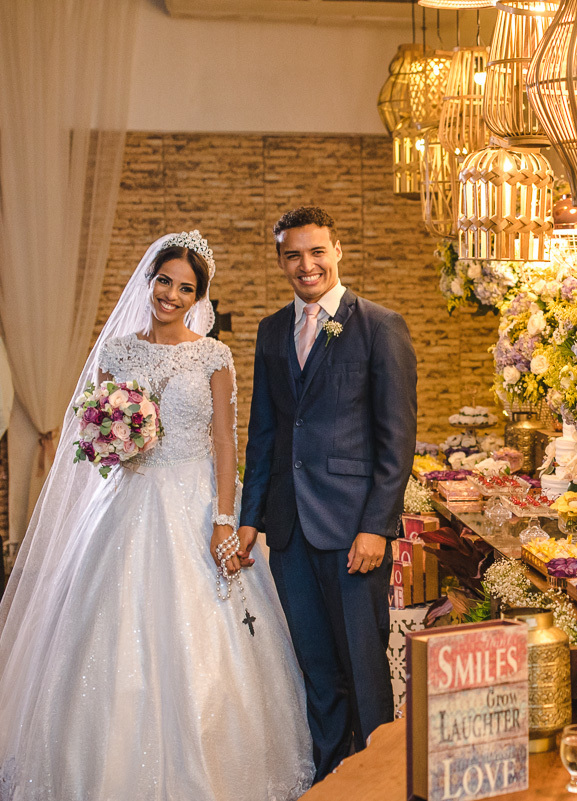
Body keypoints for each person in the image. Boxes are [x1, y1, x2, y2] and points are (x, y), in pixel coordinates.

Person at [0, 232, 314, 800]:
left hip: (195, 502)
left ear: (199, 297)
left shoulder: (213, 355)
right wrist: (114, 438)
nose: (171, 294)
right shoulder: (117, 350)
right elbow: (92, 431)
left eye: (185, 287)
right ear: (149, 281)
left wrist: (224, 517)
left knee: (208, 645)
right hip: (129, 499)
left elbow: (225, 441)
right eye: (164, 281)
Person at [238, 206, 417, 780]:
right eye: (293, 254)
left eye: (317, 252)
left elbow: (397, 441)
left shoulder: (379, 326)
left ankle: (379, 784)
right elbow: (263, 433)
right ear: (281, 261)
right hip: (289, 532)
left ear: (337, 251)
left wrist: (377, 526)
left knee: (364, 671)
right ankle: (330, 783)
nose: (306, 265)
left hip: (352, 532)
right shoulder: (271, 331)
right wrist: (250, 519)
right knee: (316, 671)